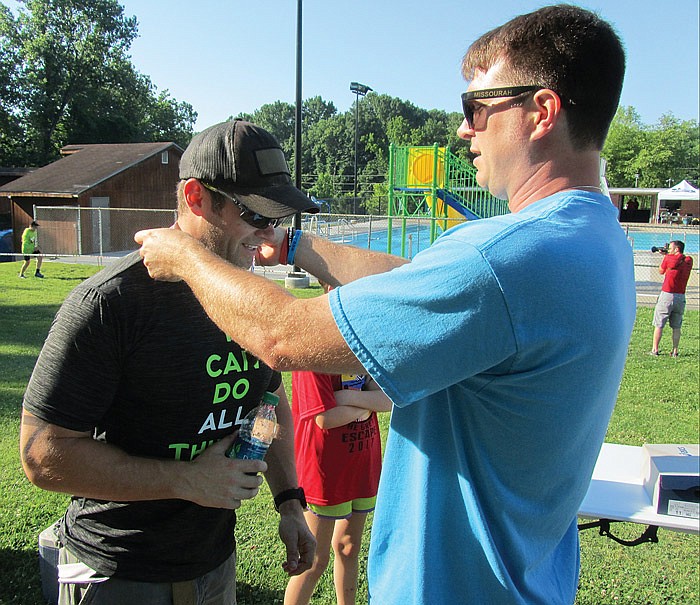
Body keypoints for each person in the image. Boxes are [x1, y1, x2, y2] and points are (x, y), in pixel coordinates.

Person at [136, 5, 636, 604]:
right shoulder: (593, 239)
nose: (463, 129)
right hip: (525, 579)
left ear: (541, 112)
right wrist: (299, 247)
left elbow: (283, 338)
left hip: (457, 588)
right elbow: (425, 284)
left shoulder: (506, 259)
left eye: (475, 108)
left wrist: (186, 259)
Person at [20, 120, 317, 604]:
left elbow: (268, 399)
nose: (268, 236)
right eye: (254, 214)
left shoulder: (252, 298)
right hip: (116, 571)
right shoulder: (111, 302)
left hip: (215, 565)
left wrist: (288, 502)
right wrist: (185, 480)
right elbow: (41, 454)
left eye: (276, 218)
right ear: (197, 198)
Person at [285, 281, 392, 605]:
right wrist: (365, 402)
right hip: (323, 470)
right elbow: (324, 419)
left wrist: (346, 397)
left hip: (362, 462)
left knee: (348, 546)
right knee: (312, 560)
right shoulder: (312, 347)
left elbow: (389, 399)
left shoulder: (366, 340)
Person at [650, 240, 694, 357]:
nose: (668, 250)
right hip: (681, 296)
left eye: (670, 248)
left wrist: (665, 257)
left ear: (676, 249)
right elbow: (680, 260)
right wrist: (668, 254)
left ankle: (655, 349)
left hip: (667, 294)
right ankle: (675, 351)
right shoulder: (689, 260)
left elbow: (661, 271)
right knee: (676, 326)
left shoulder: (669, 259)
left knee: (659, 323)